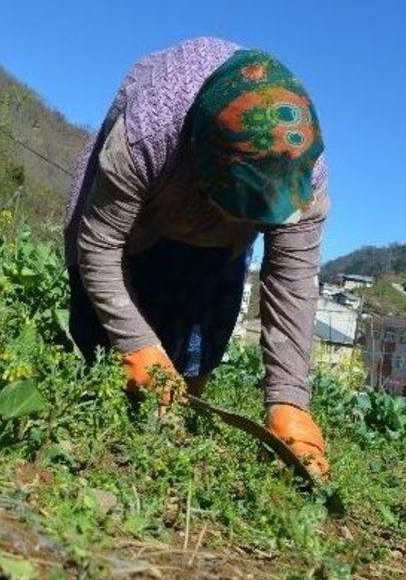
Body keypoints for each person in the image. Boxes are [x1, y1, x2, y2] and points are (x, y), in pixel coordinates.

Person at [64, 37, 330, 478]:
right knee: (102, 351)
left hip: (215, 256)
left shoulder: (302, 171)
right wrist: (134, 345)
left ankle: (172, 441)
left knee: (193, 356)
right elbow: (101, 244)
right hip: (131, 230)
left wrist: (289, 401)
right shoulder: (148, 133)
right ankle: (101, 454)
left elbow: (292, 284)